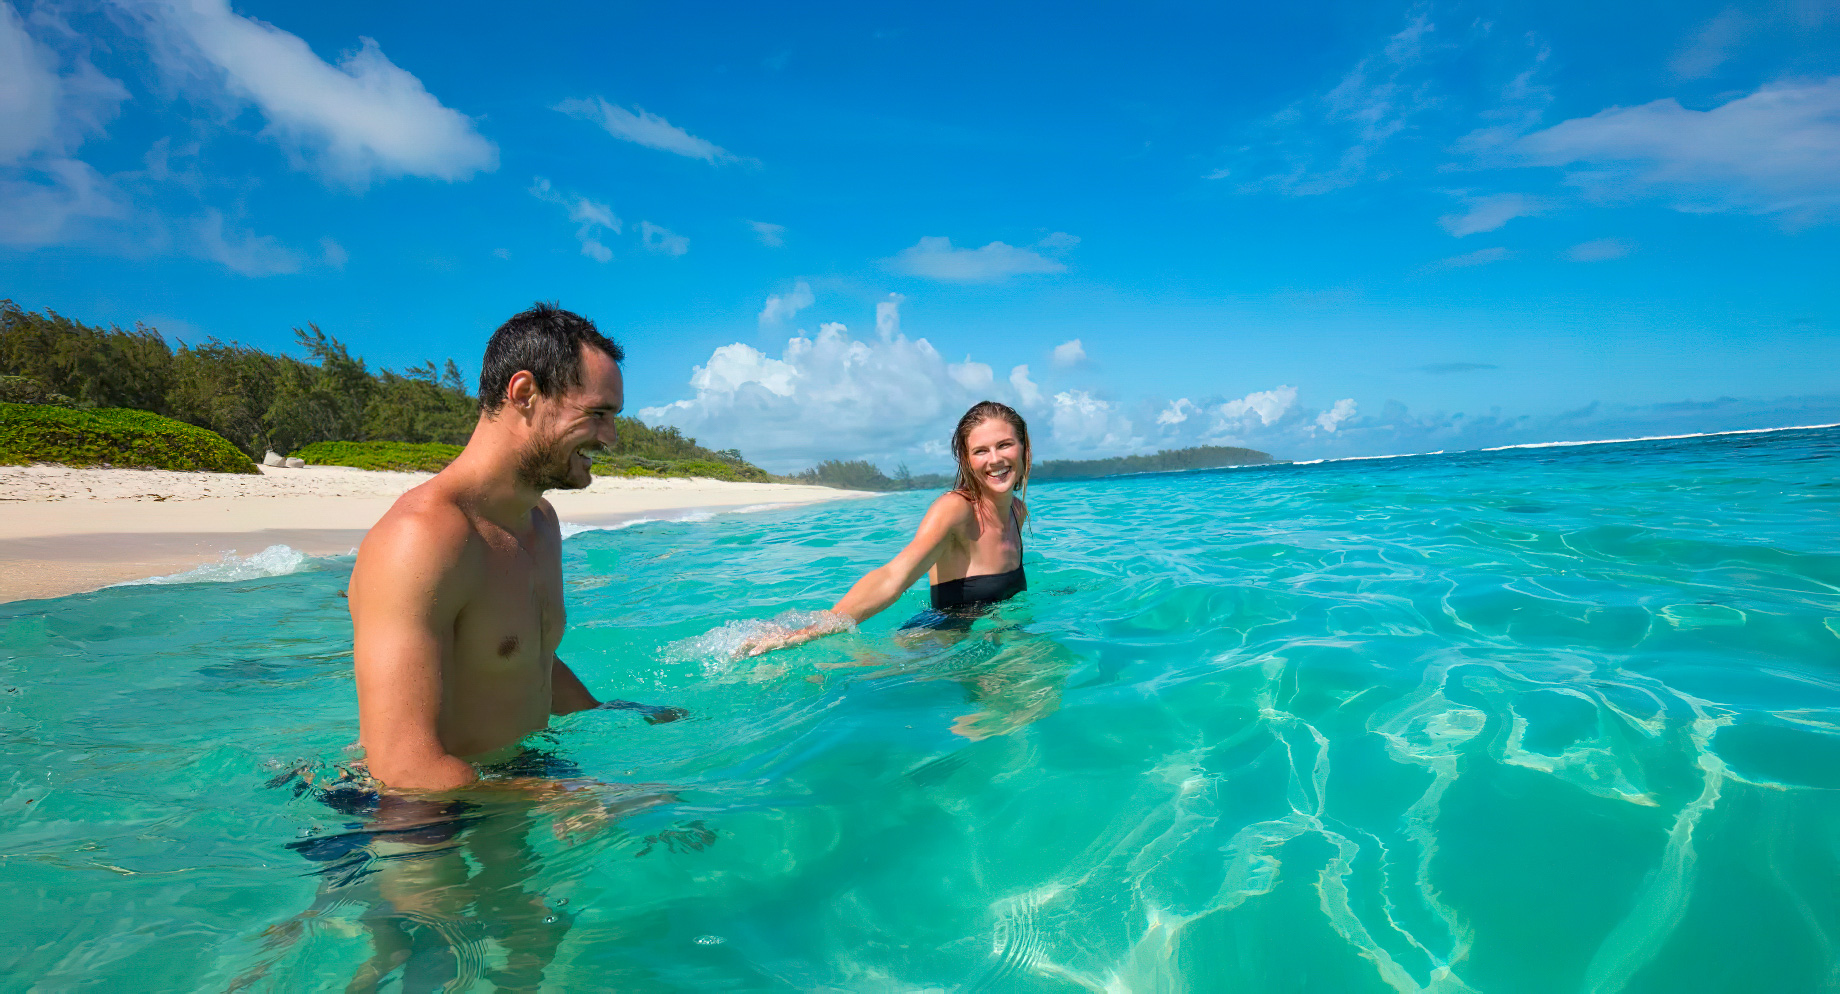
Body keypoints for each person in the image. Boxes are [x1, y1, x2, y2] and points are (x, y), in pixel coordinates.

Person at [347, 301, 682, 791]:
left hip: (509, 776)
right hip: (415, 813)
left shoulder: (540, 523)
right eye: (597, 414)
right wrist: (565, 798)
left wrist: (607, 714)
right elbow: (402, 766)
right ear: (524, 393)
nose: (609, 438)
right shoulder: (422, 538)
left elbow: (525, 656)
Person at [745, 400, 1034, 654]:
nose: (995, 459)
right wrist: (818, 627)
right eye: (980, 450)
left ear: (1023, 446)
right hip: (936, 645)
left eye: (1004, 444)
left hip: (988, 640)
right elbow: (894, 575)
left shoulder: (1016, 512)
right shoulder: (956, 509)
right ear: (968, 461)